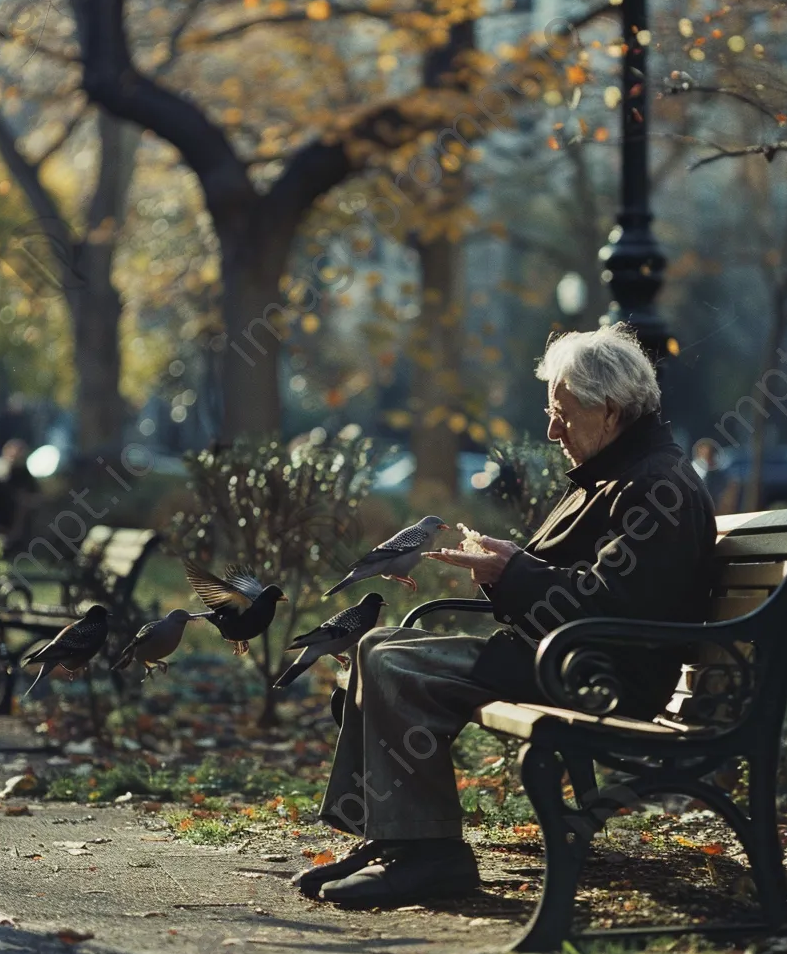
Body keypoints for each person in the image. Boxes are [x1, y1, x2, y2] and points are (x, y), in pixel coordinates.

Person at [292, 323, 718, 909]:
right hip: (567, 657)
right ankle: (394, 838)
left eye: (562, 413)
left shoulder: (654, 486)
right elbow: (582, 590)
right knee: (377, 647)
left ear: (611, 411)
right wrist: (507, 569)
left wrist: (514, 572)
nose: (551, 430)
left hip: (601, 676)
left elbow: (614, 604)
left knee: (396, 663)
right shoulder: (620, 473)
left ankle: (431, 858)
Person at [692, 438, 739, 515]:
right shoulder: (693, 473)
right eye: (705, 456)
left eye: (709, 456)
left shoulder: (723, 476)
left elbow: (728, 498)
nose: (707, 460)